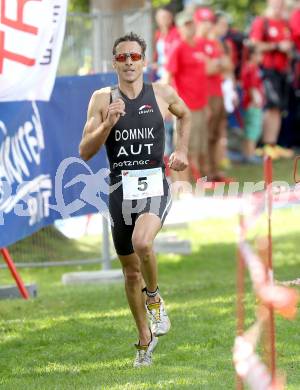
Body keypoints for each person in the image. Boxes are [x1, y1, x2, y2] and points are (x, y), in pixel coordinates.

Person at [79, 32, 190, 367]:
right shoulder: (102, 99)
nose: (129, 62)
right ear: (114, 62)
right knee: (130, 273)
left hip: (155, 184)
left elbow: (185, 114)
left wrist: (182, 149)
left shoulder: (160, 92)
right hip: (119, 191)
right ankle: (145, 338)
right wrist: (107, 124)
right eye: (122, 57)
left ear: (144, 60)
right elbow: (84, 151)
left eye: (135, 56)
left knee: (143, 243)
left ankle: (154, 298)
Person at [165, 10, 209, 182]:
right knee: (182, 147)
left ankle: (194, 182)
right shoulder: (177, 47)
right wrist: (168, 105)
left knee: (197, 147)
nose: (190, 28)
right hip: (184, 107)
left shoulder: (198, 46)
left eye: (191, 23)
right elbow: (168, 77)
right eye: (186, 25)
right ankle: (181, 184)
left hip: (200, 105)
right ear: (180, 28)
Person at [249, 0, 294, 159]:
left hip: (282, 71)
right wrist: (276, 46)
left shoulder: (284, 23)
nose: (279, 4)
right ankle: (265, 145)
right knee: (270, 106)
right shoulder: (262, 21)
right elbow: (254, 45)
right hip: (268, 70)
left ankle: (273, 144)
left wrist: (287, 50)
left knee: (279, 108)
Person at [241, 45, 265, 163]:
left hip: (253, 102)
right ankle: (250, 155)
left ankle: (248, 154)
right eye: (259, 54)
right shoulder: (250, 68)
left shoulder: (254, 68)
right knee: (252, 129)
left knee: (251, 129)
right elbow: (250, 86)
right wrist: (255, 99)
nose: (262, 57)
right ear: (252, 55)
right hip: (251, 103)